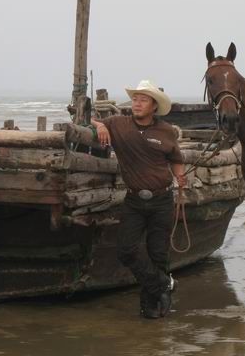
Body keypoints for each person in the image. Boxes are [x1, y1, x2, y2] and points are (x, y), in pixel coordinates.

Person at [91, 80, 186, 319]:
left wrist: (180, 176)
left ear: (154, 105)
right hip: (134, 201)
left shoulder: (165, 130)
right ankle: (164, 285)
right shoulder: (118, 124)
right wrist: (98, 126)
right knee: (126, 250)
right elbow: (83, 121)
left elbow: (175, 158)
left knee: (158, 253)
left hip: (162, 200)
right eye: (135, 99)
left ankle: (151, 309)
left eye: (143, 100)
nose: (137, 103)